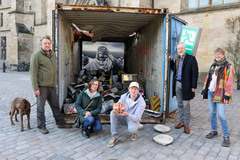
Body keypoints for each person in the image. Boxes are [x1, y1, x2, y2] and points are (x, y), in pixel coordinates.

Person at [30, 35, 72, 134]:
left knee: (55, 105)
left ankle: (60, 122)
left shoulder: (52, 54)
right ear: (41, 44)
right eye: (45, 43)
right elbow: (32, 73)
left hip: (52, 86)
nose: (47, 45)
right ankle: (41, 126)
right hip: (42, 87)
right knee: (41, 107)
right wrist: (35, 88)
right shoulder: (36, 56)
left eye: (49, 43)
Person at [202, 48, 235, 147]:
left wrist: (227, 95)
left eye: (219, 54)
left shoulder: (228, 66)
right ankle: (214, 131)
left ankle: (226, 136)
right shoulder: (213, 65)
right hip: (211, 92)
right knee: (212, 113)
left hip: (221, 93)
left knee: (221, 114)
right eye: (216, 54)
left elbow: (230, 81)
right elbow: (209, 77)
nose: (217, 56)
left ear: (223, 55)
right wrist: (205, 89)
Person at [169, 42, 198, 134]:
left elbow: (195, 73)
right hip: (177, 83)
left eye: (182, 48)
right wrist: (171, 61)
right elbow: (175, 69)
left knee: (186, 105)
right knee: (180, 104)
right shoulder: (177, 59)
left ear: (184, 49)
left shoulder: (191, 59)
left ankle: (186, 124)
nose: (180, 50)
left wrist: (194, 86)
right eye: (178, 49)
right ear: (177, 50)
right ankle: (181, 121)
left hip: (187, 85)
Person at [107, 82, 146, 148]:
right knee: (112, 113)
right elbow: (119, 103)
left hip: (132, 119)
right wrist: (118, 106)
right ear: (129, 89)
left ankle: (134, 132)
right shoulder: (124, 96)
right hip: (123, 116)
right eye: (132, 88)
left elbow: (136, 117)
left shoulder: (142, 103)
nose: (133, 90)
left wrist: (127, 114)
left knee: (132, 129)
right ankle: (114, 137)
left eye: (135, 89)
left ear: (138, 90)